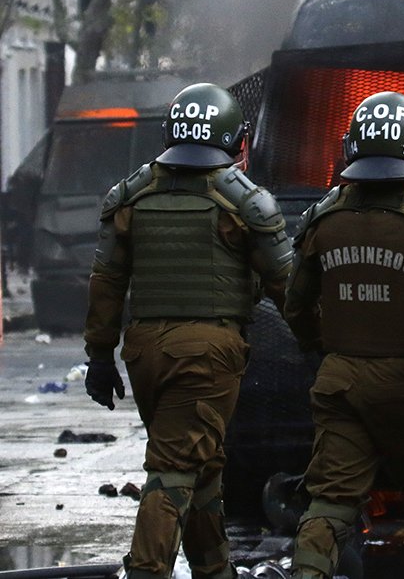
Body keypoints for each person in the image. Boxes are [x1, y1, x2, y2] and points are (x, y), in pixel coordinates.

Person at [83, 82, 293, 579]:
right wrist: (327, 347)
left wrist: (99, 356)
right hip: (207, 355)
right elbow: (289, 287)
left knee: (200, 464)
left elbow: (106, 281)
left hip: (144, 353)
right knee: (175, 468)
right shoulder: (246, 200)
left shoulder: (130, 193)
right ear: (237, 140)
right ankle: (147, 571)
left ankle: (213, 570)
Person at [283, 91, 404, 579]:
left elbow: (294, 303)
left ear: (351, 147)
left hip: (339, 381)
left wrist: (318, 351)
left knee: (329, 501)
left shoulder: (322, 218)